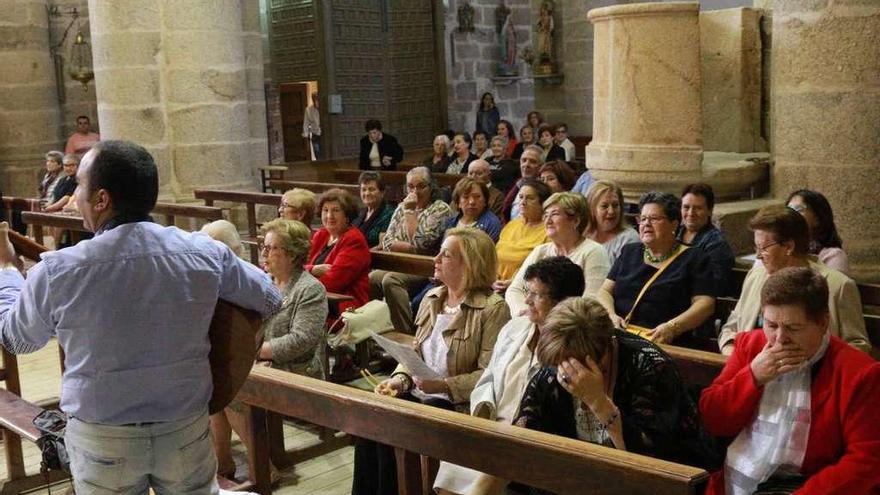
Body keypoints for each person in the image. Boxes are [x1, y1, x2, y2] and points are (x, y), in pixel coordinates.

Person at [0, 140, 282, 494]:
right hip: (184, 424)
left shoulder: (61, 269)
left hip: (103, 435)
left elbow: (17, 339)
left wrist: (6, 270)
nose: (75, 199)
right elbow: (270, 298)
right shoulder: (204, 252)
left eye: (80, 189)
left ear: (101, 199)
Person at [353, 228, 510, 495]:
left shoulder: (493, 308)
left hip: (456, 404)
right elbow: (415, 354)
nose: (435, 259)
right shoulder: (431, 298)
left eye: (445, 255)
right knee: (371, 418)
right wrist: (398, 380)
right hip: (421, 393)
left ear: (469, 264)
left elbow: (488, 375)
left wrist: (443, 386)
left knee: (401, 423)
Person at [700, 267, 880, 495]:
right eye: (771, 325)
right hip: (736, 479)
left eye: (793, 328)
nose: (779, 339)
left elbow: (866, 461)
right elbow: (713, 419)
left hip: (809, 486)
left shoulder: (859, 373)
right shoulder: (750, 346)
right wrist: (753, 377)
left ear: (823, 323)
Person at [512, 298, 720, 478]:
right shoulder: (555, 370)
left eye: (574, 365)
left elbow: (649, 462)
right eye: (559, 364)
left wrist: (598, 402)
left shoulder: (650, 366)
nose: (565, 373)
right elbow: (518, 446)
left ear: (607, 350)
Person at [434, 257, 585, 495]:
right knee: (456, 457)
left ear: (563, 303)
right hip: (493, 423)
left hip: (534, 438)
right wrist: (485, 414)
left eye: (537, 295)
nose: (527, 301)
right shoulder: (515, 328)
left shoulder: (574, 345)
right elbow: (489, 378)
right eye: (528, 292)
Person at [211, 218, 326, 480]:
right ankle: (223, 465)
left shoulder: (310, 289)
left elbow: (302, 339)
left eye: (272, 247)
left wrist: (254, 353)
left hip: (298, 369)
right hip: (263, 363)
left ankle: (263, 467)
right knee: (214, 383)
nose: (264, 252)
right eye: (264, 246)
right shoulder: (264, 282)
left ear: (292, 254)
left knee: (234, 390)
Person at [718, 204, 869, 355]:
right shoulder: (755, 276)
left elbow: (858, 345)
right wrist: (732, 354)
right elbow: (731, 327)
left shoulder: (838, 286)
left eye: (763, 248)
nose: (758, 256)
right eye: (756, 248)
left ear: (789, 246)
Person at [596, 191, 715, 345]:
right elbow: (605, 291)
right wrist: (611, 315)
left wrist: (672, 327)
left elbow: (706, 304)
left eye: (654, 219)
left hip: (665, 342)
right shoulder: (630, 251)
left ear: (674, 223)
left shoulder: (694, 258)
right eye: (643, 219)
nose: (646, 224)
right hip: (620, 337)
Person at [370, 167, 451, 333]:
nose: (415, 191)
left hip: (425, 267)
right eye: (410, 187)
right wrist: (411, 248)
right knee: (372, 278)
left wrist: (410, 211)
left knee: (391, 280)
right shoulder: (401, 206)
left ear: (431, 187)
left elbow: (421, 243)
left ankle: (405, 333)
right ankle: (376, 331)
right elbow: (387, 242)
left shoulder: (440, 209)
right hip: (399, 262)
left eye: (421, 186)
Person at [506, 192, 610, 316]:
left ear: (576, 221)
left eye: (554, 214)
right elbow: (515, 289)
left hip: (570, 324)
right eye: (545, 215)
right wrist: (524, 312)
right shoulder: (541, 251)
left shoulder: (593, 251)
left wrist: (548, 318)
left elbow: (591, 301)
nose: (548, 221)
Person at [307, 188, 371, 314]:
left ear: (347, 215)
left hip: (343, 305)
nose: (329, 216)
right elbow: (297, 267)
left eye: (335, 210)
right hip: (318, 298)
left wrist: (301, 281)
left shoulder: (353, 240)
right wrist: (312, 269)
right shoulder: (321, 235)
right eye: (326, 210)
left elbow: (332, 283)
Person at [676, 183, 735, 296]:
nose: (691, 213)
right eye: (686, 207)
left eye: (698, 208)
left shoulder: (716, 243)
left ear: (709, 211)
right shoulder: (674, 233)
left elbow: (716, 284)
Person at [493, 179, 551, 293]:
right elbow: (494, 257)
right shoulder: (512, 224)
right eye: (521, 197)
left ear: (543, 203)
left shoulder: (548, 230)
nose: (523, 202)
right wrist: (493, 280)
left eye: (530, 198)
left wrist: (513, 282)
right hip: (495, 285)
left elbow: (543, 269)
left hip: (526, 289)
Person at [786, 189, 849, 275]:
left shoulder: (833, 256)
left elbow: (832, 286)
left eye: (798, 209)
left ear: (817, 219)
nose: (791, 215)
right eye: (789, 210)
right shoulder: (782, 248)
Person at [584, 180, 639, 266]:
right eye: (604, 206)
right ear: (592, 209)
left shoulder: (629, 239)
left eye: (615, 205)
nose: (611, 211)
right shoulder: (583, 235)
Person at [445, 178, 502, 242]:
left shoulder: (492, 224)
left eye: (477, 197)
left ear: (485, 201)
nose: (472, 202)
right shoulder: (450, 222)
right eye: (466, 197)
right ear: (458, 202)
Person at [352, 171, 395, 248]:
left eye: (371, 189)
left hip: (373, 257)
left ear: (382, 192)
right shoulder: (360, 212)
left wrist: (362, 254)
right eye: (363, 189)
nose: (367, 193)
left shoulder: (389, 213)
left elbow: (382, 246)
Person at [502, 145, 543, 221]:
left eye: (533, 161)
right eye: (524, 160)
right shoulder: (517, 184)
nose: (526, 165)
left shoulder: (543, 190)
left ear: (541, 166)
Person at [302, 91, 322, 159]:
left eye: (317, 99)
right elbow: (306, 124)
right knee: (317, 154)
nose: (316, 101)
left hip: (325, 135)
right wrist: (306, 137)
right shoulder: (308, 110)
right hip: (315, 136)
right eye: (314, 99)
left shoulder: (324, 108)